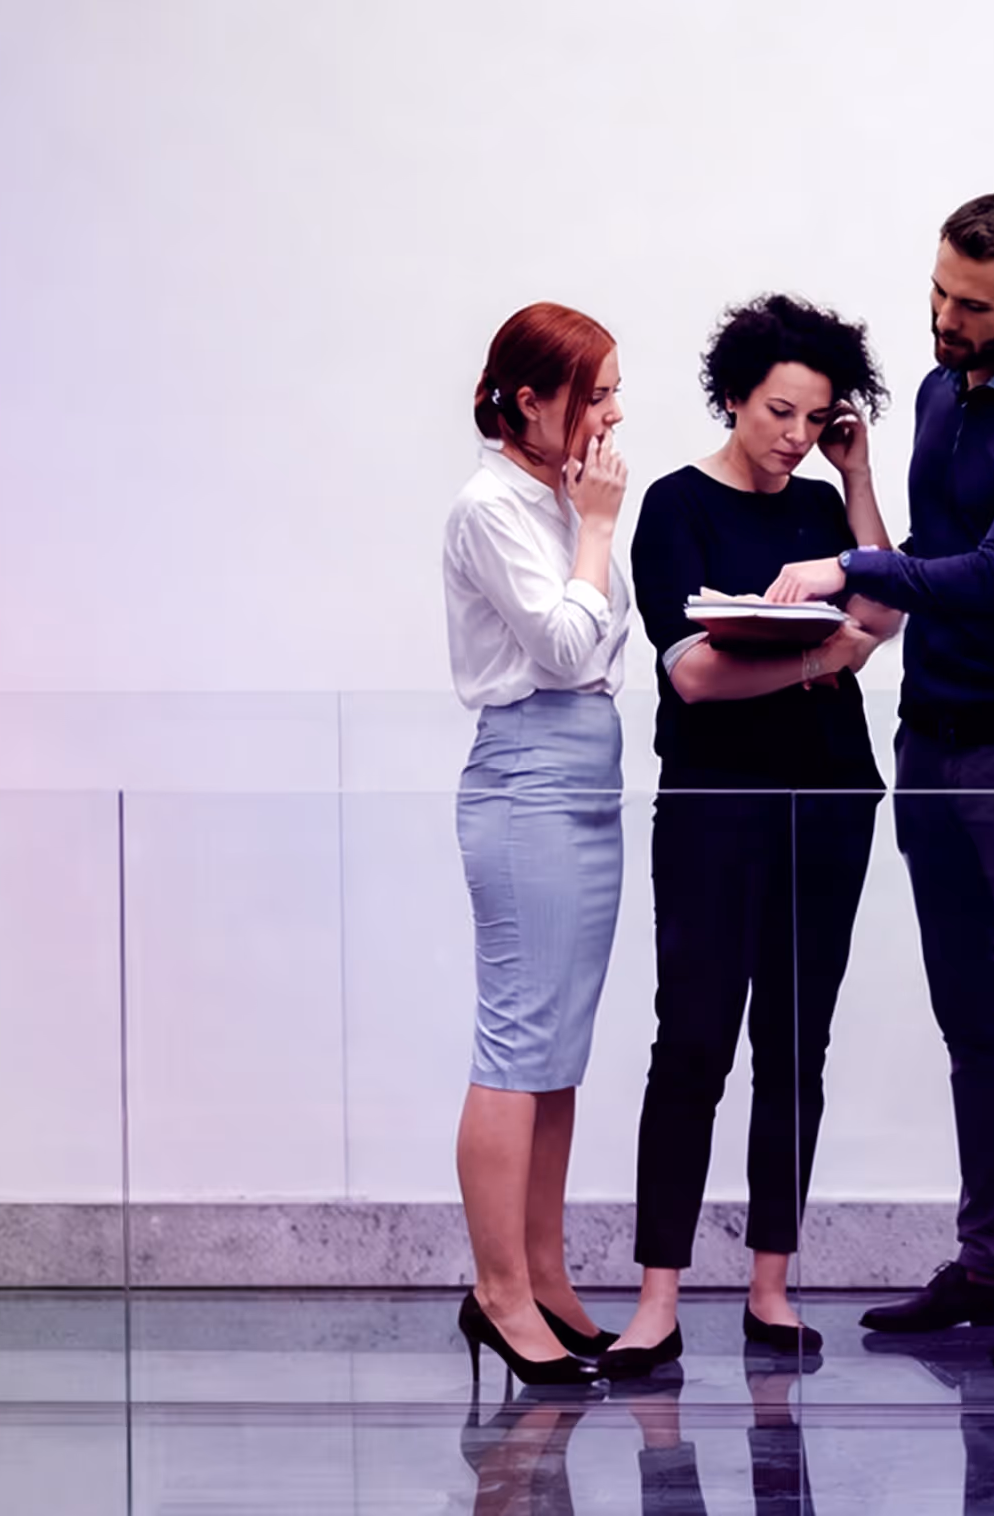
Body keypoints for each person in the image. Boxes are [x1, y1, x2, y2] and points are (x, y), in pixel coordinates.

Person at [769, 193, 994, 1366]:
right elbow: (920, 563)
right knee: (971, 1019)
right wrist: (862, 502)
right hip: (933, 737)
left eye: (970, 304)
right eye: (937, 292)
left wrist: (842, 565)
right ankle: (985, 1264)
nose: (944, 318)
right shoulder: (933, 395)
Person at [599, 293, 900, 1379]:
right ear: (733, 395)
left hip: (828, 799)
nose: (794, 436)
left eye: (816, 420)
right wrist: (823, 660)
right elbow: (692, 670)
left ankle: (772, 1285)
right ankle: (656, 1299)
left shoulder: (827, 506)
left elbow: (888, 607)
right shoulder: (677, 506)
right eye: (779, 410)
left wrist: (860, 479)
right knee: (691, 1041)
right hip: (717, 803)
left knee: (796, 1043)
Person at [444, 303, 633, 1389]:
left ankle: (549, 1278)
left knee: (557, 1045)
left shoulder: (559, 498)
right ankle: (498, 1292)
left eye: (613, 391)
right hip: (525, 774)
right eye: (595, 393)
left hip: (586, 772)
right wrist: (596, 533)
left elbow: (616, 630)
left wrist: (590, 535)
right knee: (518, 1041)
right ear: (529, 399)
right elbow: (569, 645)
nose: (613, 414)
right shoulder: (492, 507)